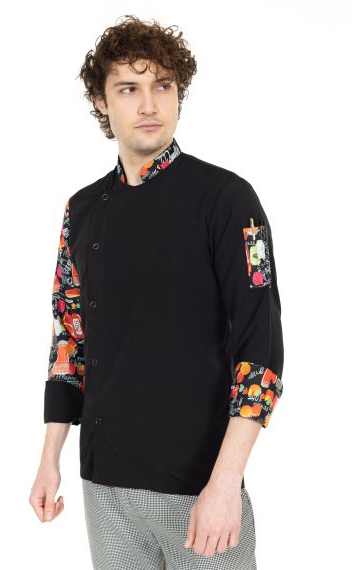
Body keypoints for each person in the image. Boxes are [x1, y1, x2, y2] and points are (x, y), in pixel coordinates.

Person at [29, 15, 285, 570]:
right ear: (101, 102)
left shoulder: (227, 200)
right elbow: (69, 339)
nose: (149, 104)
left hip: (199, 488)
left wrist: (226, 483)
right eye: (128, 89)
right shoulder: (82, 211)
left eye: (162, 86)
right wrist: (50, 457)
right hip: (104, 486)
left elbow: (261, 352)